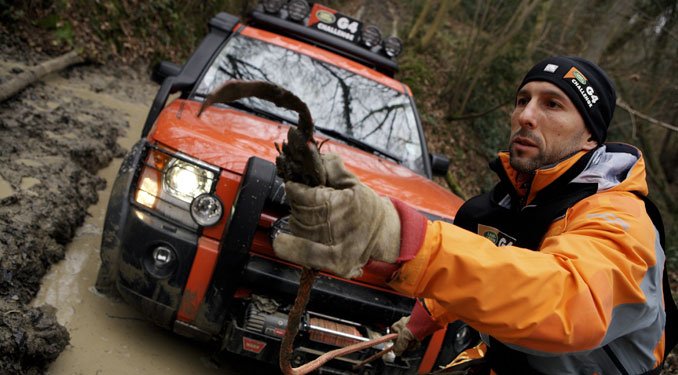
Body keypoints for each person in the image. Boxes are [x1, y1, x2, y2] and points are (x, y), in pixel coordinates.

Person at [272, 56, 675, 374]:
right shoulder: (502, 206)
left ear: (590, 135)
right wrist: (419, 323)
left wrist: (412, 240)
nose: (526, 116)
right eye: (522, 100)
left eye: (552, 104)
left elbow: (573, 300)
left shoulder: (621, 216)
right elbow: (493, 272)